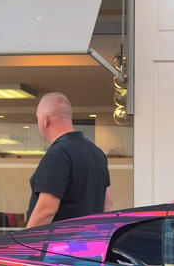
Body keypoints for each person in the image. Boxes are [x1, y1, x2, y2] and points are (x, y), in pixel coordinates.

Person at [25, 92, 111, 227]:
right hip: (90, 243)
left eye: (38, 119)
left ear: (44, 120)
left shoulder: (57, 155)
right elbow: (107, 202)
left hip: (60, 245)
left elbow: (46, 210)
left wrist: (24, 244)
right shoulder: (97, 153)